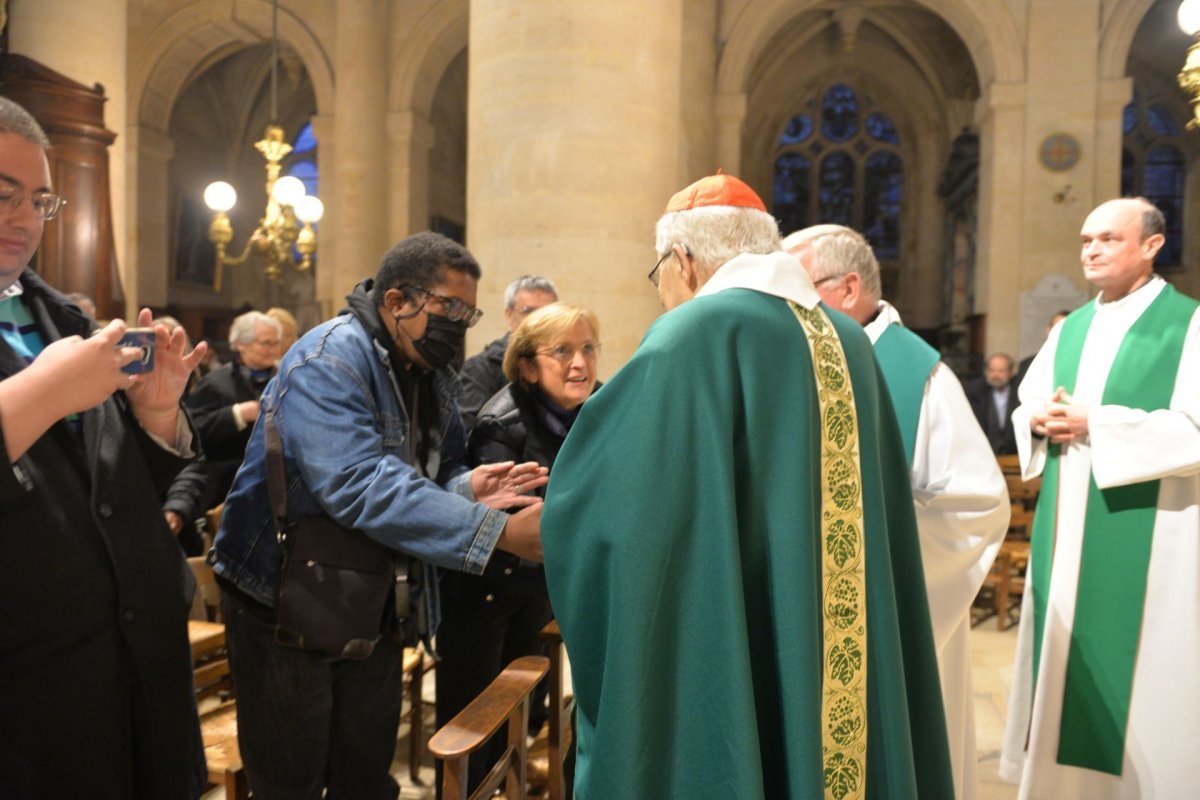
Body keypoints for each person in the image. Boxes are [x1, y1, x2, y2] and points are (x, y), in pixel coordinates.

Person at [541, 173, 953, 798]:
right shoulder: (845, 339)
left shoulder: (693, 334)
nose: (662, 294)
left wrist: (550, 511)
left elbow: (613, 502)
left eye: (660, 273)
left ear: (683, 259)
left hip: (734, 625)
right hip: (835, 644)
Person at [210, 231, 549, 799]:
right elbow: (356, 481)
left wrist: (469, 488)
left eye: (469, 311)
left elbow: (434, 470)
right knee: (292, 778)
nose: (460, 324)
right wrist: (496, 534)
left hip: (370, 598)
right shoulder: (328, 358)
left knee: (364, 776)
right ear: (397, 301)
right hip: (284, 599)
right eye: (449, 308)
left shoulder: (430, 370)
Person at [0, 96, 207, 798]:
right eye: (4, 196)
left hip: (140, 666)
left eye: (41, 201)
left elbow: (114, 494)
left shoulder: (68, 318)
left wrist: (155, 417)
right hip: (32, 694)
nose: (25, 220)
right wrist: (44, 392)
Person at [784, 223, 1009, 800]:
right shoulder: (808, 357)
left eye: (798, 287)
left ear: (849, 288)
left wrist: (877, 561)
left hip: (883, 603)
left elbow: (978, 503)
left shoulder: (920, 374)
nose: (788, 304)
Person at [1000, 198, 1200, 798]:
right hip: (1066, 531)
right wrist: (1037, 420)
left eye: (1109, 239)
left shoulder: (1188, 325)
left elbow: (1195, 431)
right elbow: (1027, 404)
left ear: (1152, 246)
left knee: (1140, 673)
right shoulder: (1071, 329)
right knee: (1063, 663)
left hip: (1152, 532)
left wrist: (1099, 424)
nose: (1091, 250)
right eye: (1086, 239)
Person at [437, 302, 600, 794]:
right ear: (527, 366)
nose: (580, 363)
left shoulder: (591, 411)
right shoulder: (501, 423)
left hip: (539, 585)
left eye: (588, 348)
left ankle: (511, 782)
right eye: (563, 351)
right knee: (473, 722)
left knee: (524, 712)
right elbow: (512, 521)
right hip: (485, 592)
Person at [184, 310, 281, 512]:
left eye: (275, 343)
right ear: (240, 345)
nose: (273, 349)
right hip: (225, 487)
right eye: (265, 343)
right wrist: (236, 414)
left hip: (274, 484)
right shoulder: (214, 383)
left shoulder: (284, 379)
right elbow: (191, 430)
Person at [458, 274, 558, 428]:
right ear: (509, 315)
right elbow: (469, 435)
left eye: (548, 313)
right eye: (528, 311)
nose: (539, 320)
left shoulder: (565, 364)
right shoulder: (481, 369)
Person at [966, 352, 1019, 455]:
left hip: (1013, 453)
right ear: (986, 372)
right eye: (992, 370)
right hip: (984, 452)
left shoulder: (1019, 392)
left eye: (1001, 371)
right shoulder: (975, 392)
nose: (995, 375)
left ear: (1011, 372)